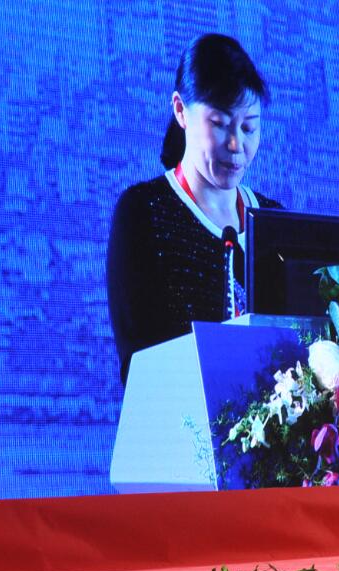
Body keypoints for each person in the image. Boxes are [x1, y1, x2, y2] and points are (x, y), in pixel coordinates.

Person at [107, 33, 281, 384]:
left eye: (249, 127)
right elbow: (140, 365)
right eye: (219, 124)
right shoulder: (143, 213)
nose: (236, 144)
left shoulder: (273, 219)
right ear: (180, 110)